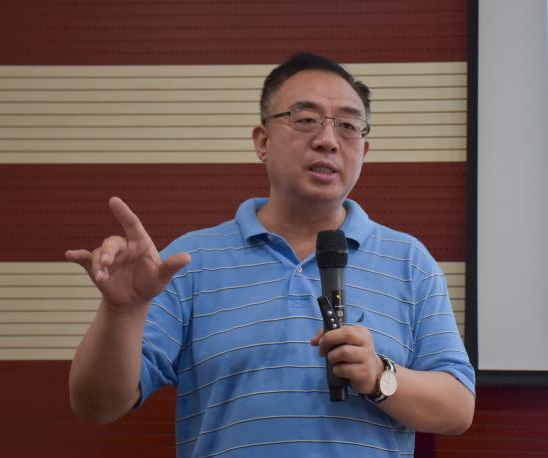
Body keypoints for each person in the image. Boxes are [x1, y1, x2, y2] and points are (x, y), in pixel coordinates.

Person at [66, 53, 475, 457]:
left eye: (348, 126)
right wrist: (121, 312)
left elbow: (458, 408)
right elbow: (96, 406)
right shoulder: (190, 261)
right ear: (263, 142)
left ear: (364, 153)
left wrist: (379, 376)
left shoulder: (409, 262)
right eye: (305, 119)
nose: (328, 140)